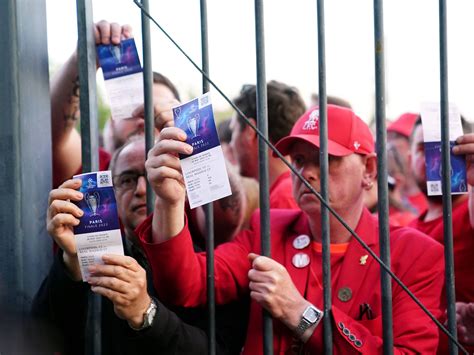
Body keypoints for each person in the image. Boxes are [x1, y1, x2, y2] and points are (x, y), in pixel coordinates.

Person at [138, 104, 445, 353]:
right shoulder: (268, 228)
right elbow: (185, 285)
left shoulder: (414, 253)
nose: (306, 172)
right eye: (298, 159)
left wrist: (301, 314)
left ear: (369, 170)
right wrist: (170, 202)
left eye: (325, 159)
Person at [32, 136, 248, 354]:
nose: (142, 189)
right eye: (127, 180)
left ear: (183, 186)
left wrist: (146, 312)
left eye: (155, 175)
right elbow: (40, 335)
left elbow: (220, 349)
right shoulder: (96, 258)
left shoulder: (209, 265)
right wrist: (71, 263)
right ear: (112, 192)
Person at [51, 20, 180, 187]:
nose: (143, 120)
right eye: (132, 110)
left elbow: (223, 198)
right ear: (112, 122)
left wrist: (192, 141)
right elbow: (51, 136)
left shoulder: (192, 175)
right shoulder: (95, 165)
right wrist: (80, 60)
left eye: (159, 112)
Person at [408, 117, 474, 353]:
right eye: (421, 147)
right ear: (409, 158)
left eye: (442, 147)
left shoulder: (469, 211)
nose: (431, 157)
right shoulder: (406, 231)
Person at [229, 81, 306, 209]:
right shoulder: (289, 191)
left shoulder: (283, 198)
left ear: (250, 131)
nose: (231, 144)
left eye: (233, 131)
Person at [387, 112, 428, 215]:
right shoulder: (381, 190)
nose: (388, 143)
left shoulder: (436, 197)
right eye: (388, 137)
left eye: (396, 137)